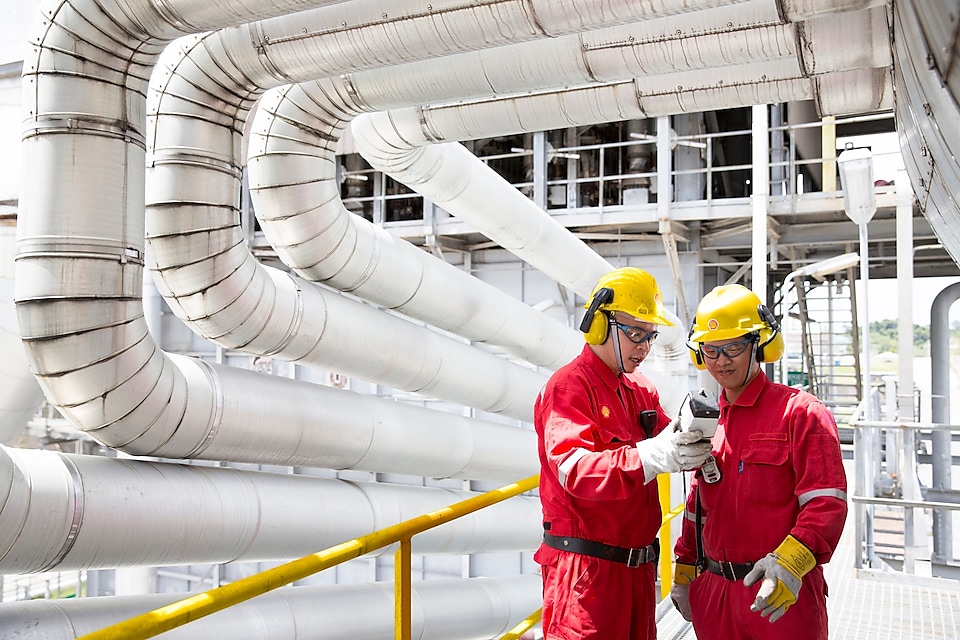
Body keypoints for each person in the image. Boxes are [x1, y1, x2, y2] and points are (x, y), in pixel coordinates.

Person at [534, 267, 713, 640]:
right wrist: (650, 457)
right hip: (587, 577)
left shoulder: (638, 388)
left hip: (638, 571)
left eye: (651, 336)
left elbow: (669, 438)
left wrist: (700, 441)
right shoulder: (569, 388)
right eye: (635, 335)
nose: (645, 348)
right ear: (599, 325)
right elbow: (575, 471)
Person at [671, 284, 848, 640]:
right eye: (711, 349)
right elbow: (697, 505)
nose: (721, 361)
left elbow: (826, 504)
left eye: (734, 347)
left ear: (760, 345)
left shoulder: (801, 414)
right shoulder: (708, 422)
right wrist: (685, 570)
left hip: (780, 595)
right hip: (715, 595)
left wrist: (791, 562)